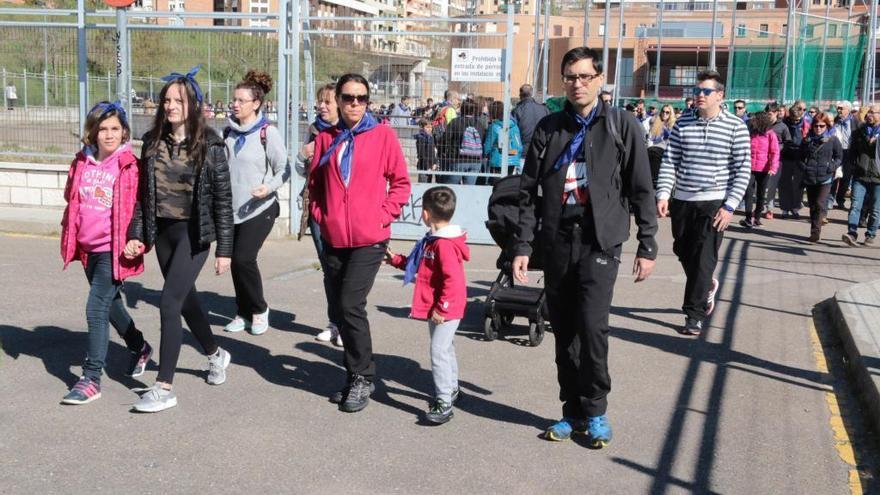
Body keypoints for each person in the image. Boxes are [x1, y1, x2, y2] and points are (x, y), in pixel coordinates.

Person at [512, 46, 658, 448]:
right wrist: (523, 244)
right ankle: (571, 411)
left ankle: (595, 410)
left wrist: (648, 244)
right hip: (557, 240)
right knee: (565, 331)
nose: (578, 83)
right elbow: (528, 192)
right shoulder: (548, 128)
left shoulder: (621, 125)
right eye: (571, 77)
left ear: (599, 80)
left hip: (600, 239)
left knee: (592, 327)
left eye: (585, 76)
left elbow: (641, 188)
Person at [125, 66, 234, 413]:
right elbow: (144, 198)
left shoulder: (212, 145)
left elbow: (223, 200)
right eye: (166, 100)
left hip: (194, 234)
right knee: (186, 302)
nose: (170, 105)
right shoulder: (152, 142)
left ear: (193, 104)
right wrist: (137, 235)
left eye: (178, 100)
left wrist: (225, 251)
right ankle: (217, 355)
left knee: (168, 303)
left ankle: (163, 387)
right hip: (165, 233)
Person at [308, 73, 411, 413]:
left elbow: (400, 183)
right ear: (337, 100)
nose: (354, 104)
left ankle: (364, 376)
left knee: (352, 304)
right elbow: (316, 185)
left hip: (370, 238)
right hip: (335, 235)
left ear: (369, 101)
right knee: (339, 308)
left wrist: (384, 215)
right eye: (348, 97)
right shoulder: (326, 139)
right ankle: (353, 374)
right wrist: (322, 215)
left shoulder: (382, 135)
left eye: (361, 98)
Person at [59, 101, 153, 405]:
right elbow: (71, 198)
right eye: (103, 129)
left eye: (115, 129)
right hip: (89, 248)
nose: (109, 135)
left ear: (124, 131)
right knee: (111, 306)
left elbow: (140, 206)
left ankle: (91, 378)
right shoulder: (82, 162)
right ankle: (140, 347)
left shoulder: (128, 165)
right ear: (93, 132)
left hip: (115, 249)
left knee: (95, 308)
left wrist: (136, 238)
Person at [655, 69, 751, 336]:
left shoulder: (735, 126)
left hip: (714, 201)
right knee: (683, 251)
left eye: (705, 91)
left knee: (704, 258)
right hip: (683, 200)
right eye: (696, 91)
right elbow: (670, 161)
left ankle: (693, 315)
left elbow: (743, 168)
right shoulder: (683, 124)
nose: (699, 96)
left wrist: (730, 205)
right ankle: (706, 285)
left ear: (720, 95)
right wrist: (663, 194)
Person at [386, 186, 469, 424]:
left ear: (424, 214)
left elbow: (453, 281)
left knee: (439, 351)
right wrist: (395, 260)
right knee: (445, 347)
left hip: (446, 307)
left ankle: (443, 401)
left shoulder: (443, 244)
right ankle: (452, 389)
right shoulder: (433, 241)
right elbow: (419, 265)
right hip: (442, 306)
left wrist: (442, 309)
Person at [222, 70, 288, 336]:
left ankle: (259, 309)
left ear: (256, 103)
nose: (235, 104)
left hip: (260, 208)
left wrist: (268, 187)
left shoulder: (266, 133)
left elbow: (283, 169)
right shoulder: (228, 132)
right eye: (234, 99)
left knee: (243, 259)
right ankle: (242, 311)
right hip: (232, 209)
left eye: (241, 100)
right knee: (235, 263)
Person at [296, 83, 343, 346]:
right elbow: (301, 168)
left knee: (343, 269)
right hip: (317, 207)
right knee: (328, 267)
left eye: (327, 102)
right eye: (319, 102)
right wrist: (303, 155)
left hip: (342, 209)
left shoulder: (347, 132)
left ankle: (347, 324)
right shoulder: (314, 130)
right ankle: (334, 323)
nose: (321, 107)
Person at [799, 112, 841, 243]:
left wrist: (831, 167)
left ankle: (816, 232)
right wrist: (804, 167)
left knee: (819, 203)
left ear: (827, 126)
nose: (818, 128)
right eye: (816, 125)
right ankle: (814, 228)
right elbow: (799, 157)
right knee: (812, 205)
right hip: (810, 176)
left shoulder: (833, 139)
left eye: (822, 126)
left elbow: (839, 157)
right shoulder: (807, 140)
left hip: (825, 177)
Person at [842, 103, 880, 247]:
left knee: (875, 209)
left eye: (873, 112)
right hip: (860, 175)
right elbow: (852, 152)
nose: (869, 115)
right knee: (855, 205)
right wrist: (854, 166)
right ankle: (851, 233)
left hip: (878, 178)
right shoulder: (859, 132)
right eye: (869, 112)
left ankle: (870, 234)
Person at [739, 111, 779, 229]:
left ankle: (757, 218)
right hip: (749, 168)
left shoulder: (770, 134)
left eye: (755, 119)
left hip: (764, 169)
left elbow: (775, 152)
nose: (752, 120)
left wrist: (773, 167)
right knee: (748, 193)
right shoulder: (751, 133)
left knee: (761, 194)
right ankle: (747, 218)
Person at [438, 99, 485, 185]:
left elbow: (445, 139)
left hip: (458, 159)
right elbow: (483, 141)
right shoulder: (480, 125)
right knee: (469, 190)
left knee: (452, 188)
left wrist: (446, 153)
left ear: (462, 109)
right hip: (476, 160)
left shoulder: (455, 122)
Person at [775, 102, 805, 219]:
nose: (796, 122)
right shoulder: (784, 124)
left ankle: (795, 207)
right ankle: (785, 208)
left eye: (798, 120)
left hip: (800, 157)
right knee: (784, 183)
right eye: (794, 119)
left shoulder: (806, 124)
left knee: (798, 185)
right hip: (786, 156)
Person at [484, 100, 523, 180]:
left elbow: (488, 146)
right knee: (507, 184)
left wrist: (487, 154)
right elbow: (519, 145)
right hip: (513, 159)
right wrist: (516, 156)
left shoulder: (494, 127)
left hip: (497, 160)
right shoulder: (514, 126)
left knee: (497, 185)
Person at [511, 84, 550, 154]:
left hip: (523, 150)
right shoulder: (544, 109)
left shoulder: (517, 111)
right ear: (532, 94)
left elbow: (513, 132)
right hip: (541, 150)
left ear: (520, 95)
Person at [831, 101, 856, 210]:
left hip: (848, 152)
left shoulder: (855, 122)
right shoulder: (834, 121)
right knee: (833, 175)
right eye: (838, 108)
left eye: (841, 108)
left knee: (846, 178)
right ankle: (830, 199)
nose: (839, 110)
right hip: (836, 151)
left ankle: (840, 199)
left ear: (848, 110)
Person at [646, 104, 676, 186]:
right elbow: (650, 138)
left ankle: (655, 179)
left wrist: (667, 136)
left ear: (671, 114)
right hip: (653, 149)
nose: (664, 114)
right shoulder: (656, 123)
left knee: (655, 155)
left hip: (665, 150)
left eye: (667, 112)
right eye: (663, 111)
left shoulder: (674, 125)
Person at [414, 118, 437, 183]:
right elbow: (421, 154)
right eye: (427, 127)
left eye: (431, 127)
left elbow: (433, 152)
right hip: (423, 166)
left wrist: (434, 163)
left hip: (431, 165)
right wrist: (427, 167)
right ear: (422, 128)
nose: (430, 129)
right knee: (422, 184)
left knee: (428, 185)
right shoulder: (420, 138)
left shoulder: (431, 137)